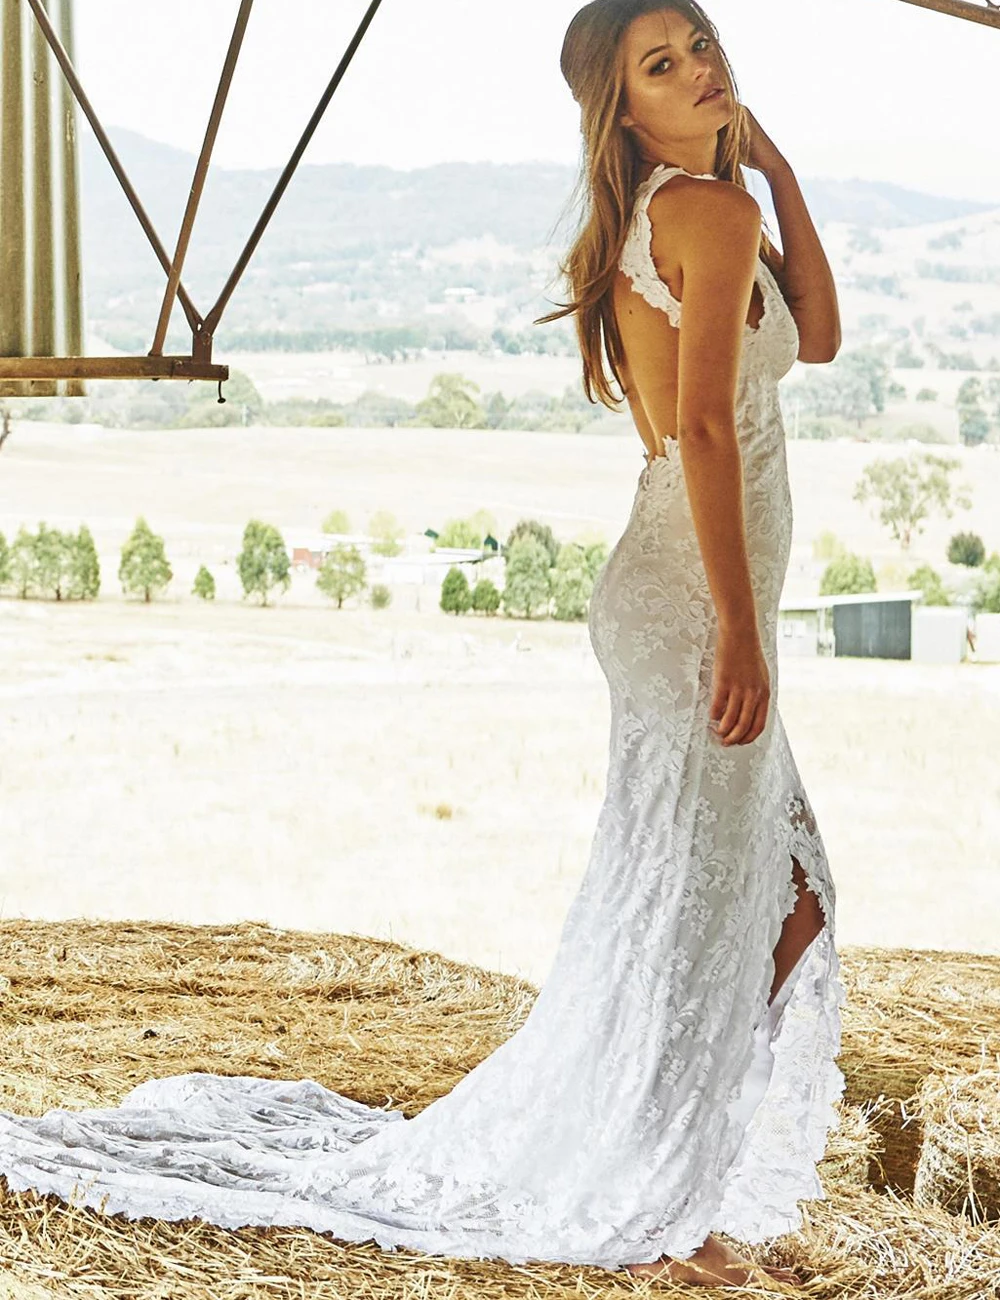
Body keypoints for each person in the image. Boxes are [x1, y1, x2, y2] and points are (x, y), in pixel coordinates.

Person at [0, 1, 846, 1290]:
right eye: (660, 64)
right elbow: (716, 434)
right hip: (693, 600)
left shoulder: (702, 210)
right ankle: (671, 1211)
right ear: (622, 111)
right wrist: (738, 627)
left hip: (680, 589)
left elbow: (822, 340)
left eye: (699, 41)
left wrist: (780, 169)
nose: (700, 67)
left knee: (767, 903)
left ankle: (675, 1173)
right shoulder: (701, 216)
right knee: (723, 907)